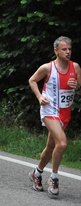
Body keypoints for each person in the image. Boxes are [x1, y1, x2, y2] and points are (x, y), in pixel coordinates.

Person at [28, 36, 81, 196]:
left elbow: (80, 91)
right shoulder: (47, 68)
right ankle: (54, 178)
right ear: (56, 51)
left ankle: (36, 173)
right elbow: (32, 80)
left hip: (65, 113)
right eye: (64, 49)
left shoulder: (76, 67)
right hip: (49, 110)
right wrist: (39, 97)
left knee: (51, 146)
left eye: (69, 49)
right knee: (62, 143)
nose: (68, 52)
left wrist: (77, 86)